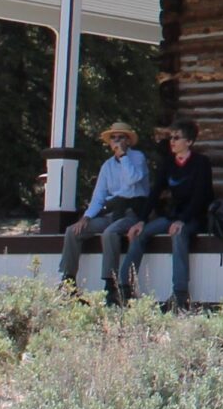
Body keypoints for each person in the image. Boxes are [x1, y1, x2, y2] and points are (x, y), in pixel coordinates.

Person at [123, 117, 216, 311]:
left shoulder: (201, 163)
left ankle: (180, 295)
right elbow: (155, 192)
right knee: (140, 234)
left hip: (194, 217)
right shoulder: (168, 163)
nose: (172, 141)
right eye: (170, 137)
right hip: (173, 216)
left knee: (178, 234)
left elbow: (201, 197)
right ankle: (123, 288)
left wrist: (183, 220)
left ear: (189, 142)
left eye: (177, 137)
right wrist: (141, 220)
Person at [58, 122, 153, 302]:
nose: (116, 141)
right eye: (113, 138)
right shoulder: (107, 166)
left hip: (132, 212)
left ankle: (111, 286)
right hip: (112, 212)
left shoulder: (137, 157)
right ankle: (68, 282)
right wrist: (86, 217)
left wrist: (123, 156)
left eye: (121, 137)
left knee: (109, 233)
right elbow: (99, 197)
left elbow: (133, 178)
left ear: (128, 141)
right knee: (73, 231)